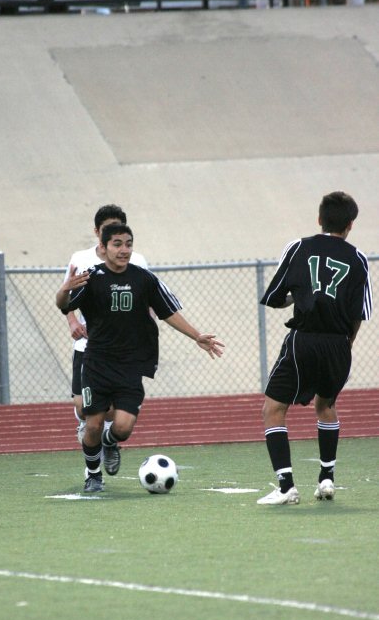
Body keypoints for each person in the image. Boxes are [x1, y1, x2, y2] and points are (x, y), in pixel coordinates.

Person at [56, 223, 224, 493]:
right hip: (96, 364)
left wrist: (196, 336)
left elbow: (168, 312)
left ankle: (110, 443)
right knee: (93, 423)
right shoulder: (91, 278)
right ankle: (93, 475)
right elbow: (64, 305)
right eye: (118, 244)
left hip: (131, 365)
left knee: (122, 428)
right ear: (104, 248)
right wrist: (64, 289)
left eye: (128, 244)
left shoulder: (144, 279)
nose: (124, 250)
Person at [257, 191, 373, 505]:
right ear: (350, 224)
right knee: (326, 405)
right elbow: (359, 312)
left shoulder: (299, 247)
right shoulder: (358, 258)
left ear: (319, 219)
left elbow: (277, 296)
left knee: (273, 408)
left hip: (304, 340)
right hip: (338, 344)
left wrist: (299, 295)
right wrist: (345, 343)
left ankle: (285, 486)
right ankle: (326, 479)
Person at [64, 205, 148, 445]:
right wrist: (71, 321)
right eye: (107, 230)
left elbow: (149, 300)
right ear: (96, 232)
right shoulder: (81, 259)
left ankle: (107, 443)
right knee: (83, 409)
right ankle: (89, 426)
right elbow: (67, 296)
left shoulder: (137, 261)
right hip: (88, 348)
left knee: (111, 413)